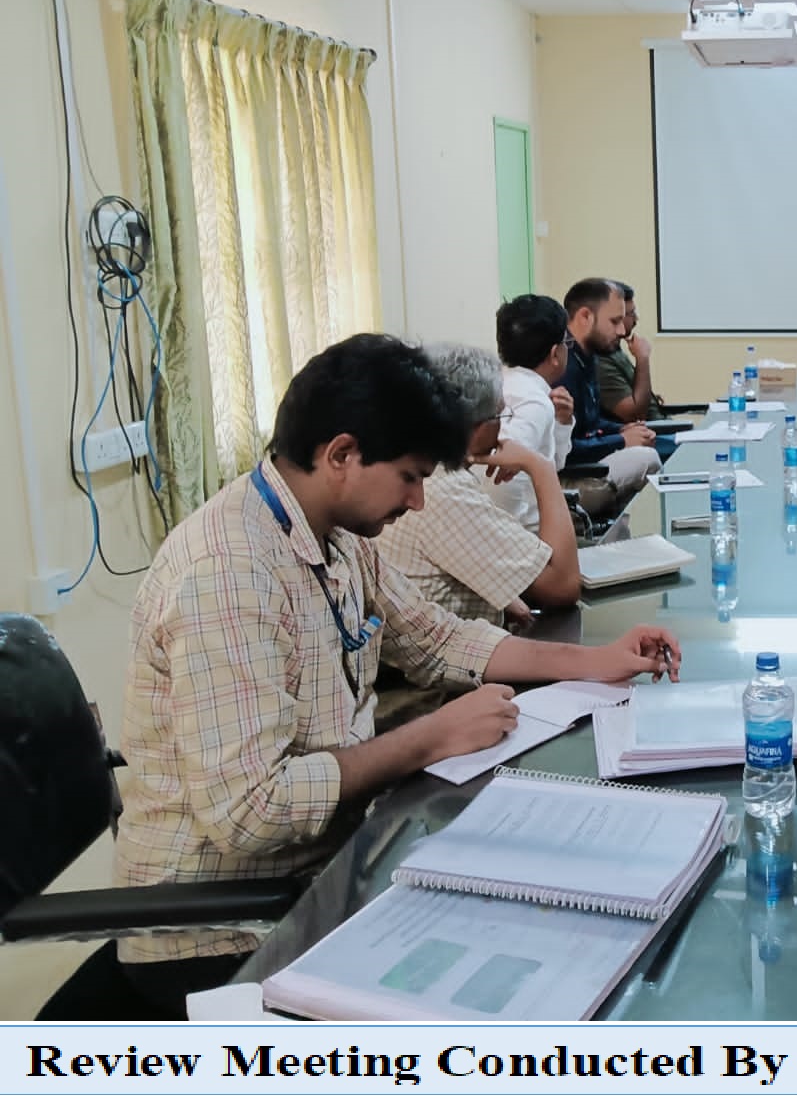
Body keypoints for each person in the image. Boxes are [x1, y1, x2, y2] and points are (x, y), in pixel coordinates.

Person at [113, 334, 680, 1015]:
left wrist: (596, 660)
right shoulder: (230, 573)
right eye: (410, 477)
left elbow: (437, 638)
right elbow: (252, 810)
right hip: (223, 931)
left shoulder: (334, 534)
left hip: (329, 867)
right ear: (341, 455)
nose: (417, 502)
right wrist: (429, 737)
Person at [378, 343, 580, 623]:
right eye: (500, 415)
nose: (503, 428)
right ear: (476, 427)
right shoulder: (447, 490)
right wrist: (541, 467)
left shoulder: (410, 465)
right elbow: (564, 585)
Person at [557, 278, 662, 488]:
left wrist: (623, 429)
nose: (622, 331)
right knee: (648, 458)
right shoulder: (561, 364)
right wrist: (621, 441)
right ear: (585, 317)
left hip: (589, 460)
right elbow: (563, 450)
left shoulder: (587, 355)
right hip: (569, 474)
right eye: (614, 321)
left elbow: (590, 424)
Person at [492, 293, 575, 531]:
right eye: (567, 342)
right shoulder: (535, 402)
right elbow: (504, 478)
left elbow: (550, 464)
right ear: (555, 353)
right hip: (527, 535)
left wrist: (562, 422)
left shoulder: (499, 384)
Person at [596, 281, 667, 423]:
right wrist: (642, 358)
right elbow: (635, 415)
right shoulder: (601, 360)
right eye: (631, 313)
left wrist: (651, 399)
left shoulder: (615, 350)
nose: (636, 319)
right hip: (651, 431)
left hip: (659, 425)